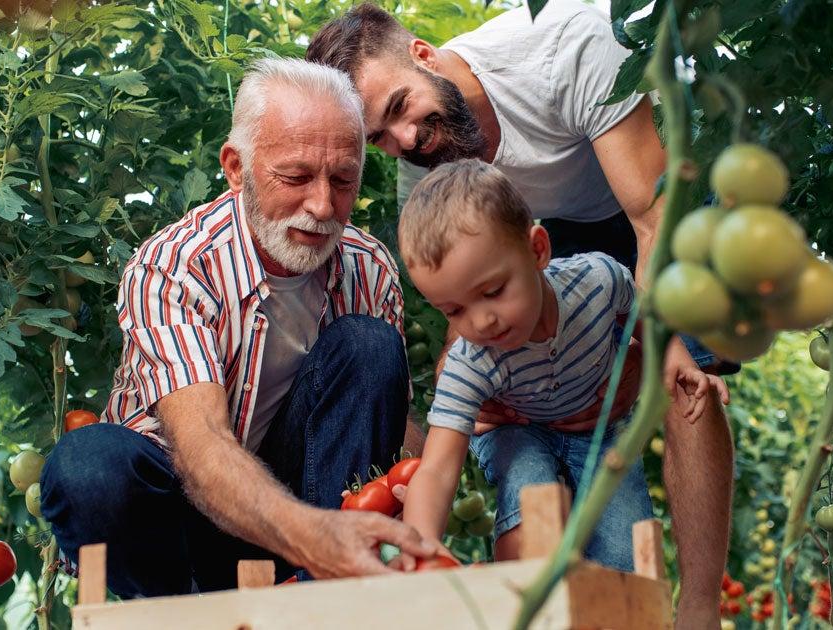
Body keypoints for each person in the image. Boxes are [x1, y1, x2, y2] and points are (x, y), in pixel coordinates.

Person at [307, 3, 734, 625]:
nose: (402, 141)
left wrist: (660, 350)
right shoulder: (424, 171)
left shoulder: (564, 48)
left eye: (399, 107)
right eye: (379, 136)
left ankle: (700, 605)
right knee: (509, 382)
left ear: (424, 55)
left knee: (686, 376)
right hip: (531, 239)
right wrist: (467, 406)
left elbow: (650, 220)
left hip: (647, 190)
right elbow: (461, 310)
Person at [38, 57, 437, 598]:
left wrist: (439, 461)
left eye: (343, 180)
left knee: (369, 345)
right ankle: (180, 611)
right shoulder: (174, 266)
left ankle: (328, 594)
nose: (322, 206)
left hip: (306, 513)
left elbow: (384, 429)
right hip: (183, 515)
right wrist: (314, 535)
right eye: (295, 177)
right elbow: (201, 445)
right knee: (88, 467)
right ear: (235, 167)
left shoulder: (368, 267)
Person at [395, 159, 712, 571]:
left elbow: (643, 314)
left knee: (625, 550)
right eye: (454, 310)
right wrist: (420, 547)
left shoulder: (596, 281)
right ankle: (522, 596)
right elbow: (436, 471)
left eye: (493, 291)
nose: (481, 321)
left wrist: (678, 360)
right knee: (530, 493)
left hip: (594, 429)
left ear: (538, 250)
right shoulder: (469, 363)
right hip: (516, 431)